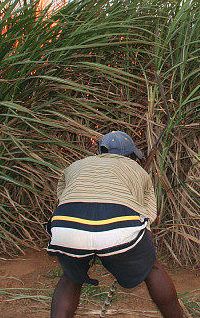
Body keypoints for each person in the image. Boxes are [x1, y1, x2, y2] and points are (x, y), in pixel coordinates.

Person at [46, 131, 183, 318]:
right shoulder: (136, 170)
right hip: (117, 227)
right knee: (153, 269)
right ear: (130, 155)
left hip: (66, 226)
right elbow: (148, 215)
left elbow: (63, 197)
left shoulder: (76, 165)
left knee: (71, 277)